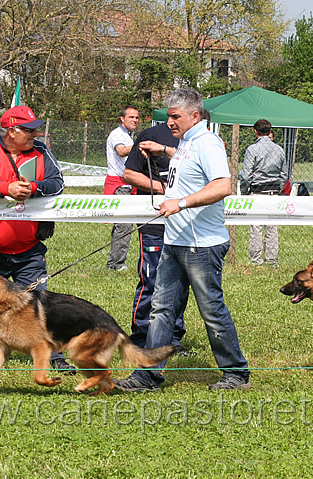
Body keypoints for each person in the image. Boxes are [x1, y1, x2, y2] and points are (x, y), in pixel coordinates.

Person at [113, 88, 251, 391]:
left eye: (175, 117)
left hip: (201, 244)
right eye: (169, 116)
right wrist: (162, 151)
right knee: (161, 310)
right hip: (174, 240)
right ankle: (148, 375)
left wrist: (182, 203)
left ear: (195, 115)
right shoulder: (186, 143)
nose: (170, 122)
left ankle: (236, 373)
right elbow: (188, 163)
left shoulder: (209, 143)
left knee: (211, 310)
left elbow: (223, 186)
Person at [0, 105, 75, 373]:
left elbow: (57, 182)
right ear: (12, 130)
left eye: (35, 128)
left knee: (41, 303)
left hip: (29, 249)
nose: (35, 133)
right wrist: (5, 188)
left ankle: (53, 355)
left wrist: (33, 188)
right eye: (29, 129)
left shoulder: (42, 151)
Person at [122, 122, 188, 349]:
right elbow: (129, 173)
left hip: (186, 225)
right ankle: (141, 335)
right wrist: (164, 189)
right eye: (171, 115)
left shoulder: (200, 141)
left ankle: (173, 336)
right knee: (151, 281)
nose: (172, 122)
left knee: (179, 284)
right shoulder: (151, 135)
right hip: (154, 225)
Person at [239, 119, 287, 267]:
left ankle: (256, 260)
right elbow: (284, 174)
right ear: (270, 131)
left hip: (257, 192)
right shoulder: (279, 149)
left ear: (255, 131)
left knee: (256, 228)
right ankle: (272, 260)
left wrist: (244, 191)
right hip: (273, 192)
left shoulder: (252, 149)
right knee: (272, 228)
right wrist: (278, 188)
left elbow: (246, 175)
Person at [105, 105, 140, 271]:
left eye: (137, 118)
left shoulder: (129, 135)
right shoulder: (117, 135)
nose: (134, 120)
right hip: (120, 185)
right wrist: (141, 144)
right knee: (124, 225)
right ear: (122, 119)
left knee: (124, 225)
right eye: (131, 117)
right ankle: (116, 264)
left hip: (128, 184)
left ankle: (116, 261)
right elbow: (121, 151)